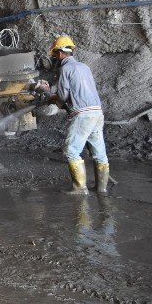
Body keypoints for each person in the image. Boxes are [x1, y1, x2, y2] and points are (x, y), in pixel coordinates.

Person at [37, 35, 109, 195]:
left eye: (55, 54)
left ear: (61, 52)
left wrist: (55, 102)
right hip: (97, 112)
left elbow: (63, 95)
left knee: (71, 150)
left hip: (83, 115)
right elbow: (80, 90)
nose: (55, 57)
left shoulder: (65, 69)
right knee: (99, 153)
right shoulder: (84, 67)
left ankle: (80, 188)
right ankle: (101, 189)